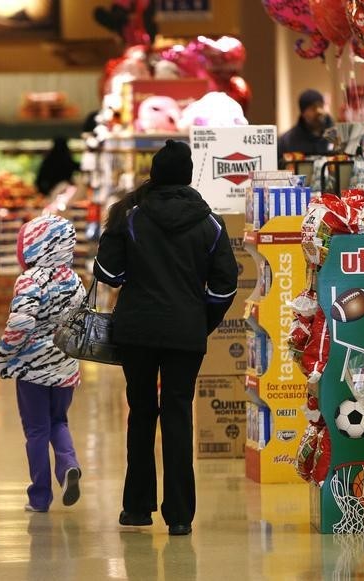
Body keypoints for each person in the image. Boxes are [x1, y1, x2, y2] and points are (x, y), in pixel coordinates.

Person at [93, 139, 238, 536]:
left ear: (154, 174)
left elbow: (108, 273)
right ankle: (179, 516)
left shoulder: (131, 216)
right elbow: (225, 286)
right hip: (185, 334)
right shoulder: (209, 222)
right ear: (188, 176)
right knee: (178, 414)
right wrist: (199, 320)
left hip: (136, 332)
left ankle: (137, 508)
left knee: (141, 413)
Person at [0, 215, 86, 512]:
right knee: (59, 421)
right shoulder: (73, 279)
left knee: (36, 430)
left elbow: (20, 323)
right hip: (65, 365)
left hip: (32, 369)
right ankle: (68, 465)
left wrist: (3, 353)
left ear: (35, 245)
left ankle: (40, 496)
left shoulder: (31, 280)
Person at [278, 89, 334, 162]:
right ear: (303, 113)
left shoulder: (338, 136)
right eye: (313, 108)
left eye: (321, 106)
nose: (319, 111)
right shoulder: (287, 142)